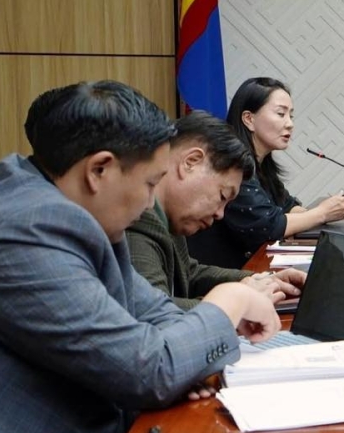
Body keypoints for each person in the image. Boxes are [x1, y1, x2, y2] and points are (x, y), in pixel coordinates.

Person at [0, 81, 280, 433]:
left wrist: (187, 363)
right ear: (99, 170)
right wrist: (231, 301)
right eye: (150, 183)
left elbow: (154, 313)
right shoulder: (24, 230)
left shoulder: (77, 214)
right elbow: (149, 371)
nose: (150, 203)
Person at [128, 111, 307, 310]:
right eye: (222, 196)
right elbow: (155, 312)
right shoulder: (136, 219)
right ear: (191, 162)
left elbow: (188, 273)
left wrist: (259, 281)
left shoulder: (169, 215)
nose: (220, 214)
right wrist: (236, 301)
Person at [189, 77, 344, 269]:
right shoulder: (232, 166)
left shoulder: (263, 163)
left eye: (291, 115)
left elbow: (286, 205)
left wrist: (325, 213)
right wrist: (321, 213)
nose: (290, 124)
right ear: (249, 119)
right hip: (222, 272)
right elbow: (267, 226)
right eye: (281, 114)